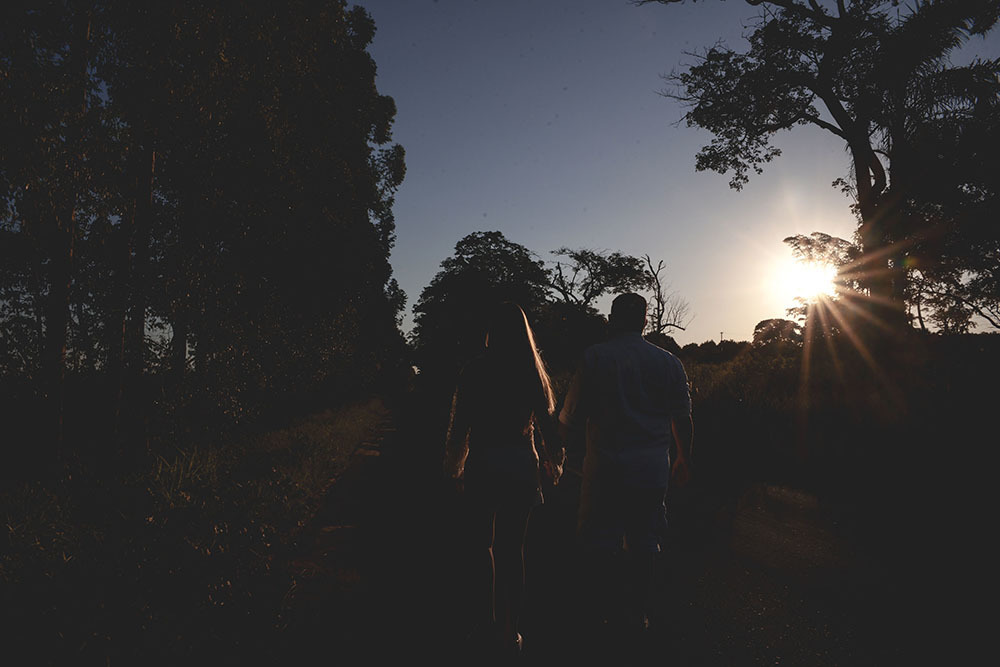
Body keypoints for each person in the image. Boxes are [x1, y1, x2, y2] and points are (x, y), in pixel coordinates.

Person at [558, 292, 693, 633]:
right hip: (650, 468)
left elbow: (570, 417)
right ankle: (636, 613)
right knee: (644, 540)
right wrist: (683, 457)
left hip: (604, 467)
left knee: (599, 539)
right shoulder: (669, 363)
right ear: (645, 321)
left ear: (611, 318)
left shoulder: (595, 358)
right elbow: (682, 417)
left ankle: (600, 611)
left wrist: (556, 453)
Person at [443, 301, 566, 658]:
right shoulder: (532, 372)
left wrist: (454, 467)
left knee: (482, 548)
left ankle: (486, 624)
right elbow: (548, 429)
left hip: (484, 463)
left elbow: (459, 427)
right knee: (513, 551)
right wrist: (553, 463)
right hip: (520, 466)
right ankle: (511, 632)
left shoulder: (474, 371)